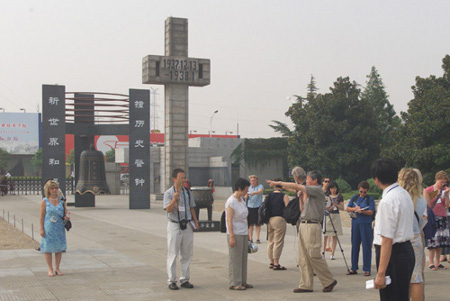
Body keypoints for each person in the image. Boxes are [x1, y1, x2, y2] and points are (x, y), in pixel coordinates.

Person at [267, 169, 337, 294]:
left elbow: (295, 186)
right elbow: (301, 208)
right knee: (303, 257)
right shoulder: (309, 194)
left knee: (313, 255)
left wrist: (279, 183)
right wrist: (300, 197)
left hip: (312, 225)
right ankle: (306, 284)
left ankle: (329, 280)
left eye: (308, 179)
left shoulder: (317, 190)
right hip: (303, 224)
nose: (306, 181)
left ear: (315, 180)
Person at [372, 158, 415, 301]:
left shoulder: (387, 201)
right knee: (401, 295)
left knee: (391, 296)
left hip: (393, 254)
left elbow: (387, 239)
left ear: (376, 179)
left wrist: (380, 273)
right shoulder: (404, 194)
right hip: (405, 250)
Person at [163, 168, 199, 290]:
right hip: (174, 224)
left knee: (187, 253)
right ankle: (172, 280)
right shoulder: (169, 193)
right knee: (173, 253)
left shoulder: (187, 192)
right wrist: (174, 199)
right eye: (181, 178)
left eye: (184, 177)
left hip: (187, 225)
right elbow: (168, 209)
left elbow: (192, 207)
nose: (183, 180)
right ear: (174, 178)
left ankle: (185, 279)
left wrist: (195, 221)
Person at [398, 168, 427, 301]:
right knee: (416, 277)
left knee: (398, 275)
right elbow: (423, 221)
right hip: (415, 238)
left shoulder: (397, 198)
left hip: (400, 239)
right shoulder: (421, 200)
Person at [226, 177, 253, 290]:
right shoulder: (231, 201)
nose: (247, 192)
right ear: (239, 188)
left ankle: (243, 281)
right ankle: (235, 282)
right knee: (235, 258)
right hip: (235, 232)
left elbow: (245, 217)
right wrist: (232, 236)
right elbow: (229, 219)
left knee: (243, 258)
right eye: (246, 189)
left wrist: (248, 233)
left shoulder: (242, 200)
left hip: (243, 232)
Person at [39, 180, 69, 277]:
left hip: (59, 226)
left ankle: (57, 268)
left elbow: (65, 212)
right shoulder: (45, 201)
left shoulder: (61, 200)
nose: (54, 190)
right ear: (48, 190)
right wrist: (41, 229)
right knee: (48, 248)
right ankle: (50, 268)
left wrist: (67, 217)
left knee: (59, 248)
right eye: (52, 188)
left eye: (56, 188)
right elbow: (41, 216)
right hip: (49, 226)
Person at [346, 181, 375, 276]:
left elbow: (371, 211)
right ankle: (353, 267)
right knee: (355, 245)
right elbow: (348, 208)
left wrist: (363, 211)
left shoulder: (369, 199)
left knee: (366, 246)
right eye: (361, 191)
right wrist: (355, 209)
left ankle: (367, 268)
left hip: (365, 223)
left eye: (364, 192)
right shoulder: (355, 198)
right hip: (355, 223)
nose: (362, 194)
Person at [424, 170, 450, 270]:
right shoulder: (429, 189)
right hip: (433, 217)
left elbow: (447, 205)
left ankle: (438, 262)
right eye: (441, 182)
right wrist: (435, 194)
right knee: (432, 241)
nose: (443, 184)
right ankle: (431, 262)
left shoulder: (444, 191)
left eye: (444, 182)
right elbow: (427, 203)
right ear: (436, 180)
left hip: (442, 216)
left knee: (440, 241)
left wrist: (447, 195)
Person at [265, 178, 289, 270]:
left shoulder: (269, 195)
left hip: (269, 219)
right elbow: (287, 208)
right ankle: (276, 263)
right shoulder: (284, 196)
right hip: (279, 219)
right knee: (278, 241)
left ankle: (271, 261)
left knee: (270, 241)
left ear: (274, 185)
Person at [324, 181, 344, 260]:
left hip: (336, 215)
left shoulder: (339, 197)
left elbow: (342, 208)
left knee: (335, 236)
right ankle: (323, 252)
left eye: (335, 188)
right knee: (326, 234)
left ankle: (332, 253)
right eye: (332, 188)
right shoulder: (327, 196)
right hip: (328, 215)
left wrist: (337, 205)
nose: (333, 190)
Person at [247, 175, 264, 243]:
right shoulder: (248, 188)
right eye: (251, 180)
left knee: (258, 223)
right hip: (250, 206)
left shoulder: (260, 186)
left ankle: (257, 238)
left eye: (254, 180)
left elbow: (260, 191)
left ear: (256, 180)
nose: (253, 182)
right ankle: (250, 238)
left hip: (257, 206)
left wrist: (253, 193)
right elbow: (245, 196)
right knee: (250, 224)